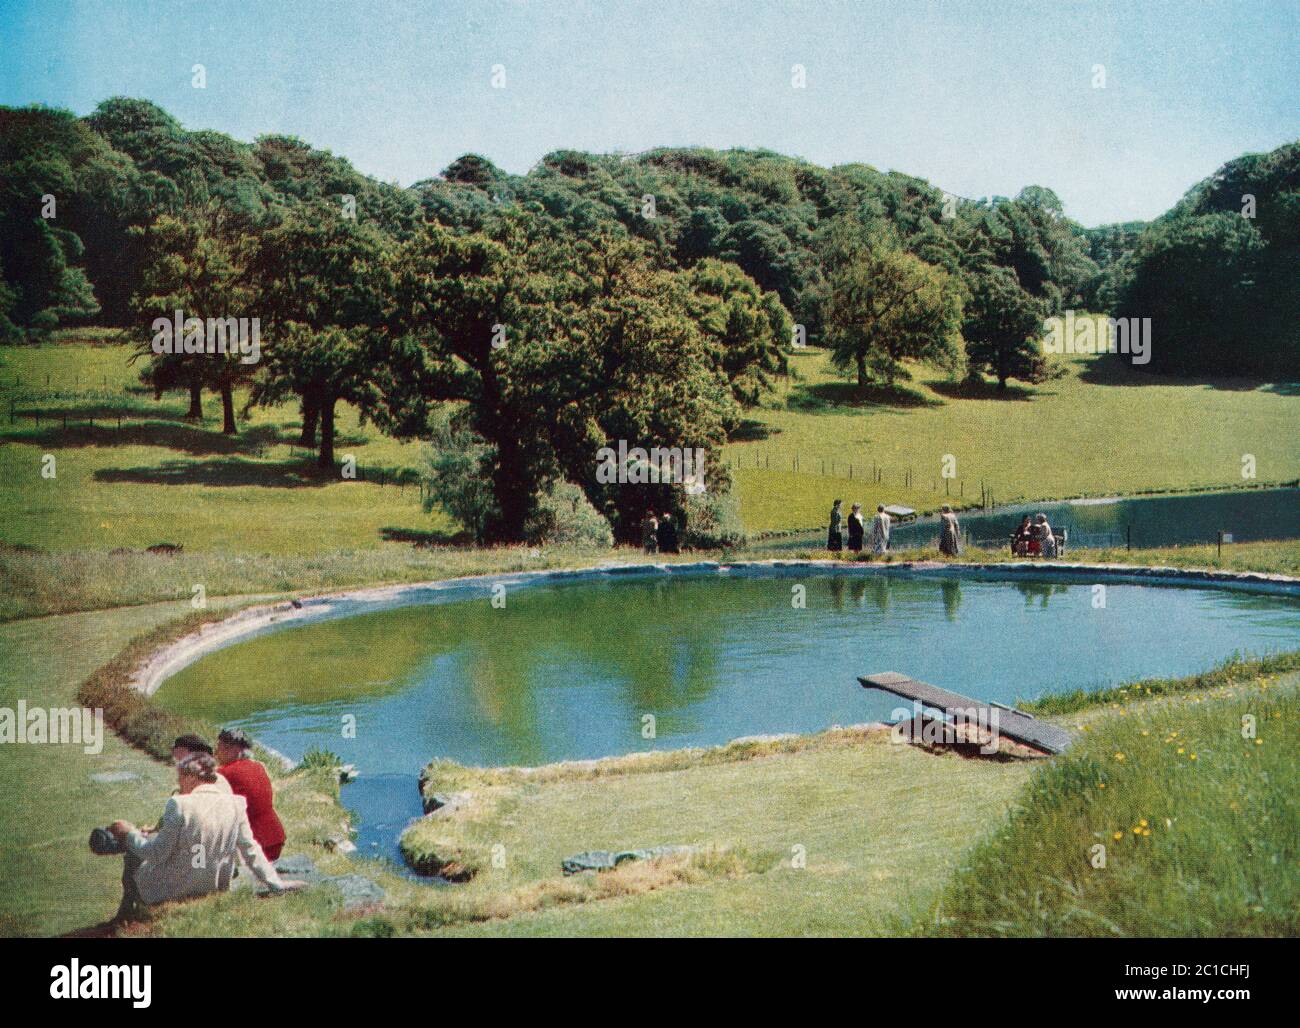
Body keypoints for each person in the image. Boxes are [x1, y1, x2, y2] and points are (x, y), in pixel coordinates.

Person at [107, 753, 300, 923]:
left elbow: (157, 853)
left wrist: (128, 833)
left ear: (191, 777)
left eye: (181, 778)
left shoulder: (180, 804)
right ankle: (125, 917)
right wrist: (276, 884)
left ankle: (126, 917)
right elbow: (251, 850)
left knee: (133, 855)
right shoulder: (236, 803)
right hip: (214, 886)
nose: (179, 784)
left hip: (176, 889)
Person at [215, 728, 287, 863]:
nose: (216, 754)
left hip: (255, 845)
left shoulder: (226, 773)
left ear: (235, 750)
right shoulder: (258, 766)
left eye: (220, 748)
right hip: (276, 838)